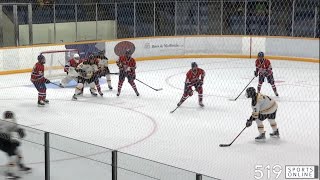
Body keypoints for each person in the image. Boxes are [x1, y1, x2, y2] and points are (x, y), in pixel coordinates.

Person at [0, 111, 31, 179]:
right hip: (6, 142)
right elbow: (19, 133)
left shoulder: (2, 122)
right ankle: (10, 173)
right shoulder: (12, 123)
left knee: (17, 152)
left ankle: (20, 165)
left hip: (4, 142)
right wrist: (20, 132)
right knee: (13, 156)